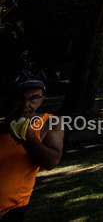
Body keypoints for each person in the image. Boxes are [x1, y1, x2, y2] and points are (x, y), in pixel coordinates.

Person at [1, 79, 64, 221]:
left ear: (42, 100)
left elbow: (51, 162)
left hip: (12, 209)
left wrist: (29, 140)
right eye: (19, 99)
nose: (26, 105)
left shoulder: (50, 122)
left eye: (34, 98)